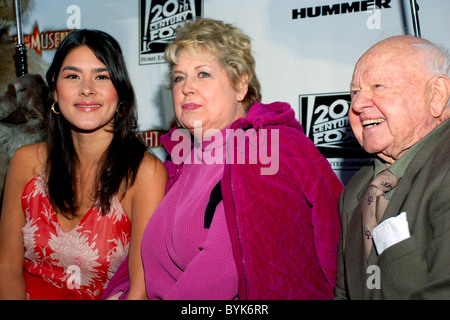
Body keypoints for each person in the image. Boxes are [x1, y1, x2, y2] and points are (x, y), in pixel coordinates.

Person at [103, 17, 343, 300]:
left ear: (241, 85)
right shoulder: (180, 162)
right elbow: (143, 260)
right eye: (179, 77)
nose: (186, 87)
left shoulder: (266, 150)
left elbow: (221, 272)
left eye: (203, 74)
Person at [0, 29, 167, 300]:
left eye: (101, 76)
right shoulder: (25, 161)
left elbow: (141, 291)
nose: (86, 89)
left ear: (121, 91)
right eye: (72, 76)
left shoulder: (145, 174)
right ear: (54, 89)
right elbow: (6, 267)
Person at [334, 35, 450, 299]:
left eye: (378, 86)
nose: (357, 104)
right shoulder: (356, 191)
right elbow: (344, 293)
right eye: (355, 92)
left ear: (436, 95)